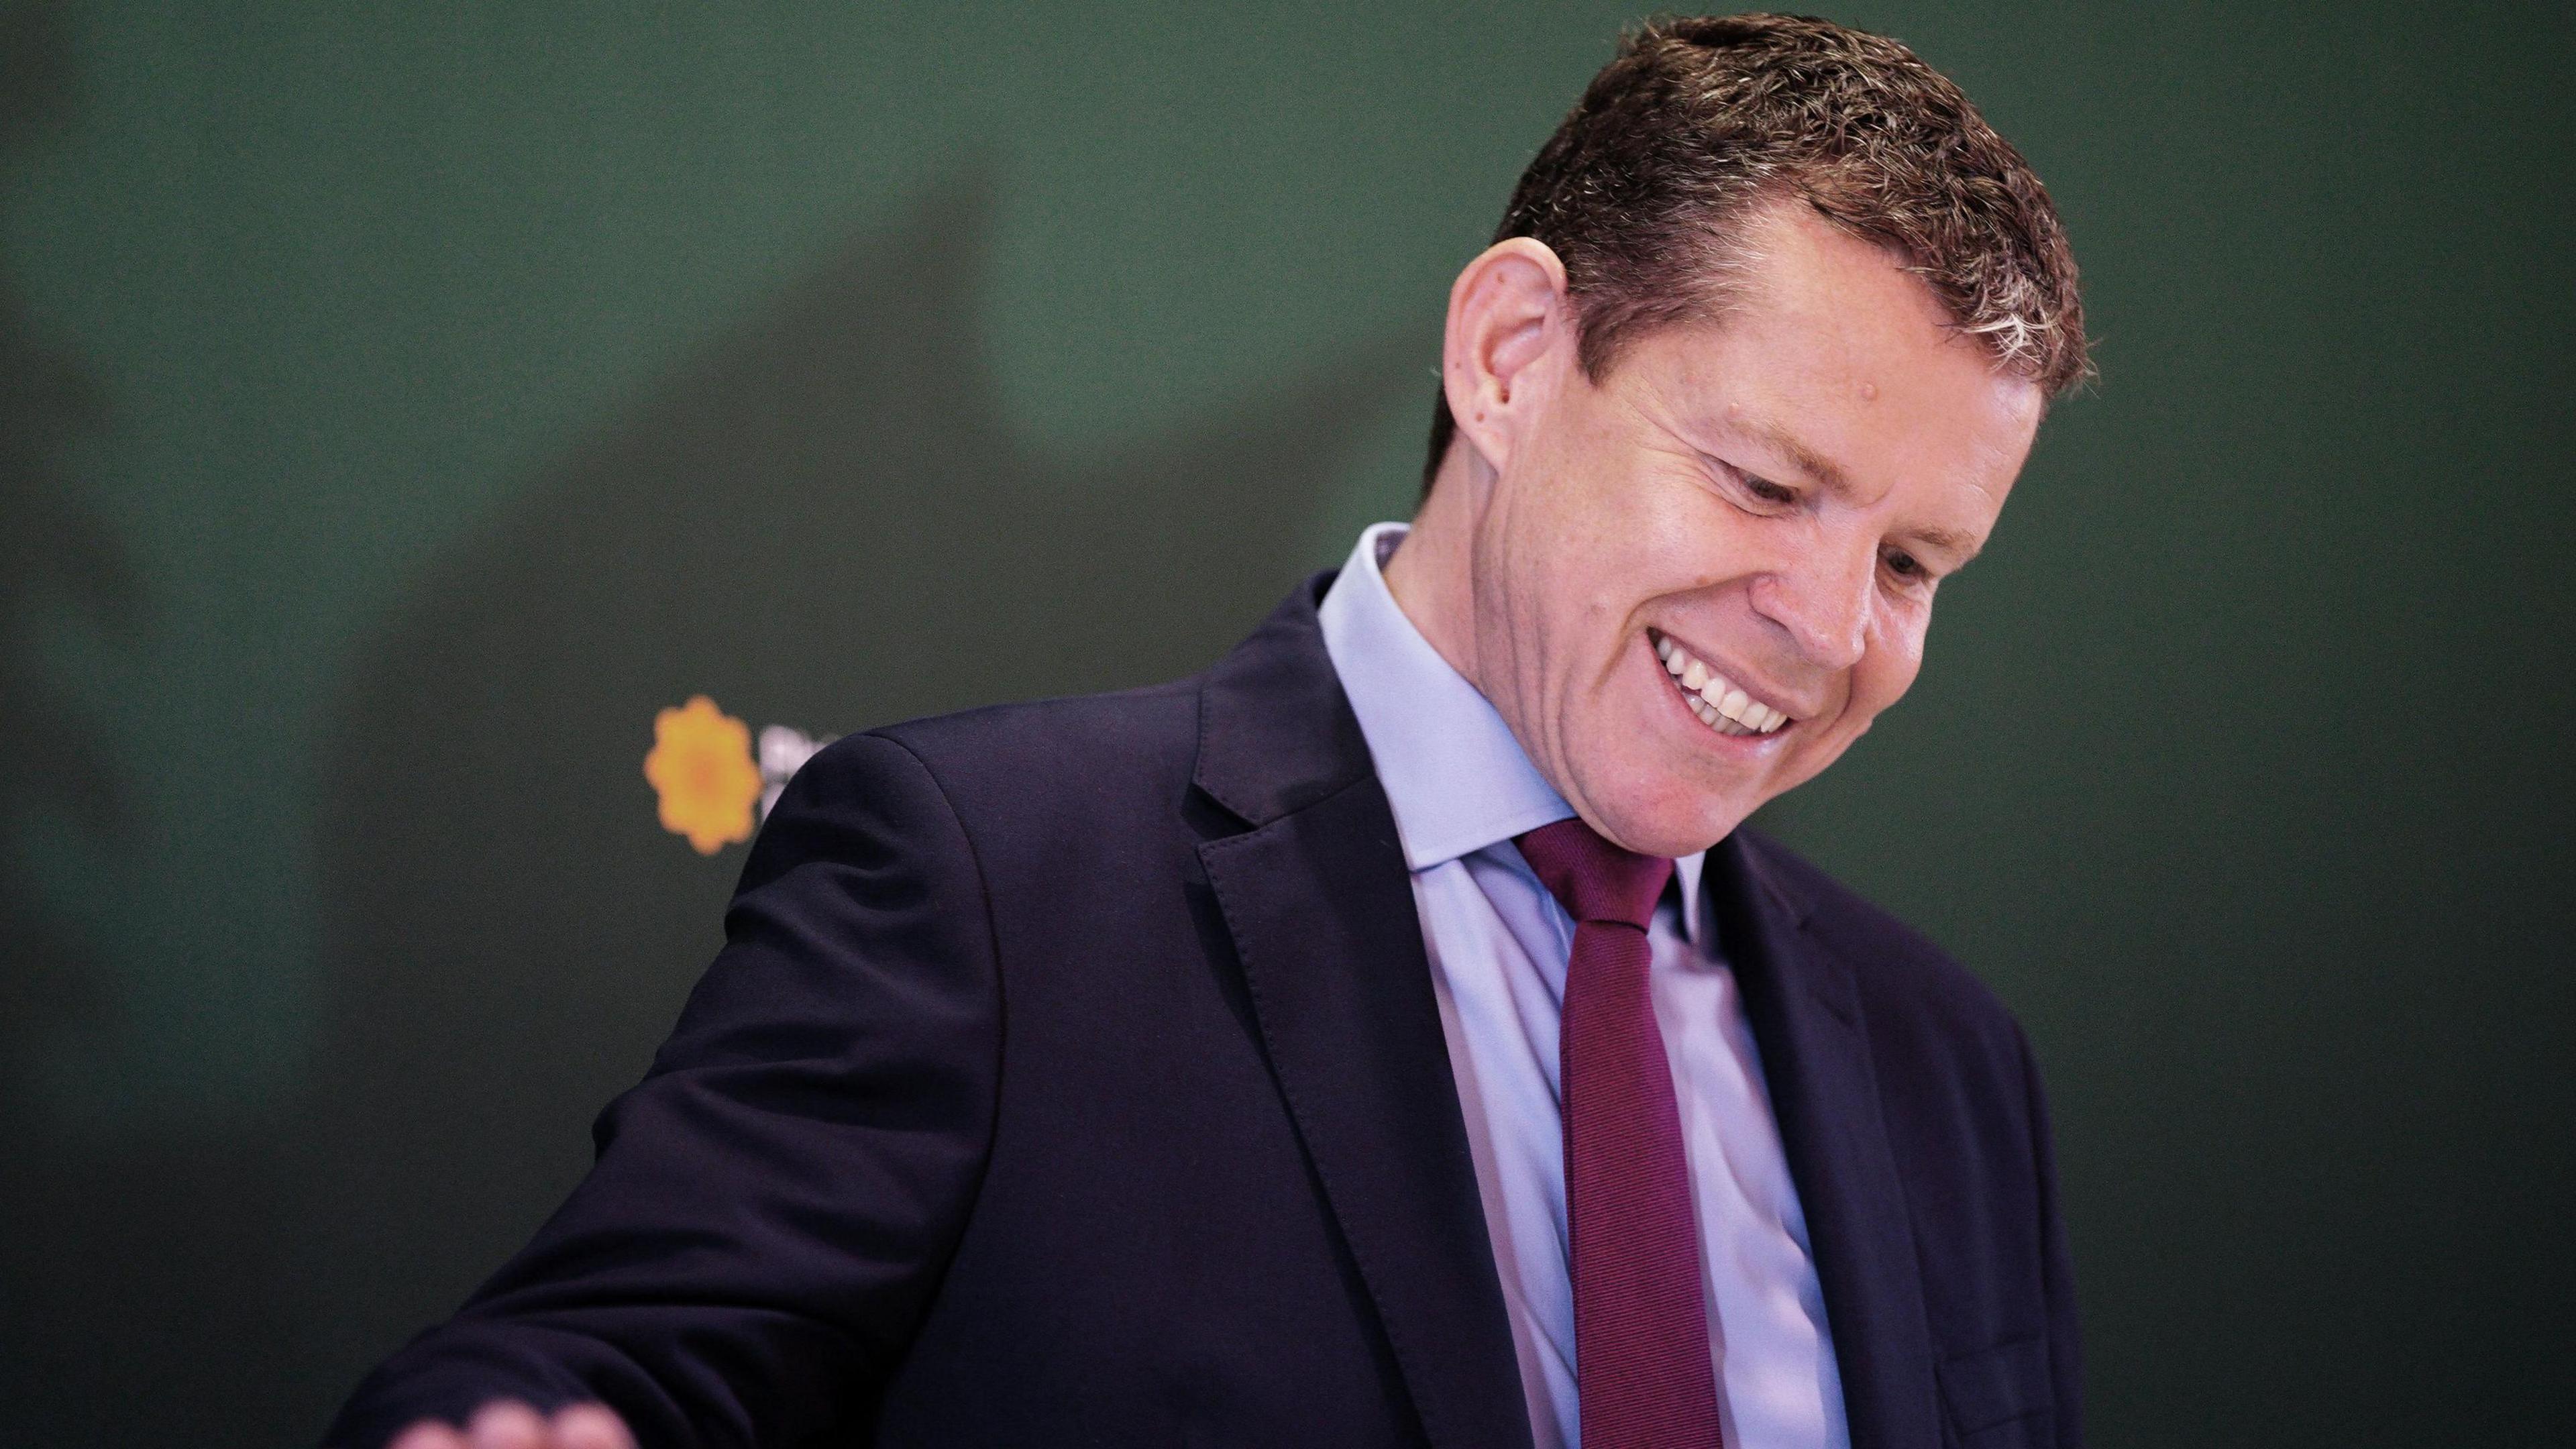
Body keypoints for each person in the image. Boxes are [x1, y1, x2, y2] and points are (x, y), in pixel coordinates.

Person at [330, 14, 2089, 1449]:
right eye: (1764, 481)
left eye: (1918, 561)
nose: (1834, 626)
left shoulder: (1947, 1064)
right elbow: (611, 1366)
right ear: (1512, 356)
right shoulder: (992, 885)